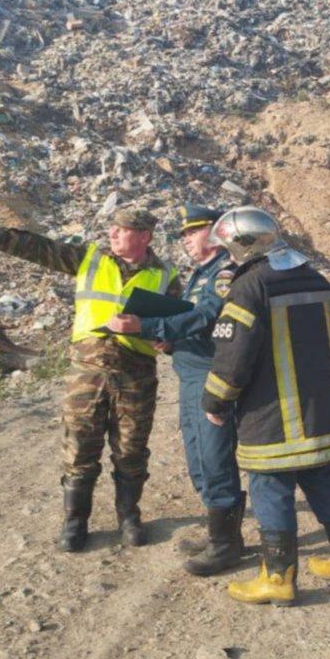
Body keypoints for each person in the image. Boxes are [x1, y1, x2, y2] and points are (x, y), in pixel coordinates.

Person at [0, 209, 180, 552]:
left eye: (122, 229)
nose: (112, 234)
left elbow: (174, 326)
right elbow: (39, 248)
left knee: (130, 449)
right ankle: (75, 522)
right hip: (87, 372)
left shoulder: (165, 276)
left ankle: (129, 517)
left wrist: (163, 338)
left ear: (144, 236)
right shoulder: (91, 259)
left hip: (136, 374)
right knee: (80, 445)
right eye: (112, 228)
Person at [200, 206, 330, 607]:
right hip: (319, 414)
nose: (227, 256)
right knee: (323, 481)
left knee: (270, 489)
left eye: (229, 248)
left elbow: (233, 357)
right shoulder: (318, 280)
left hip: (271, 418)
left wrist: (215, 401)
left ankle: (279, 580)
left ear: (242, 244)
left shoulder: (251, 287)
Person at [106, 205, 246, 576]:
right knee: (198, 457)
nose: (185, 239)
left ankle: (227, 544)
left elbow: (206, 316)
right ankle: (221, 531)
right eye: (182, 233)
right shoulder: (201, 274)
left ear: (216, 232)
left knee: (215, 459)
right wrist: (167, 339)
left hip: (209, 374)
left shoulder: (223, 272)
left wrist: (148, 325)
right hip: (188, 371)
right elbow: (193, 322)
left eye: (192, 231)